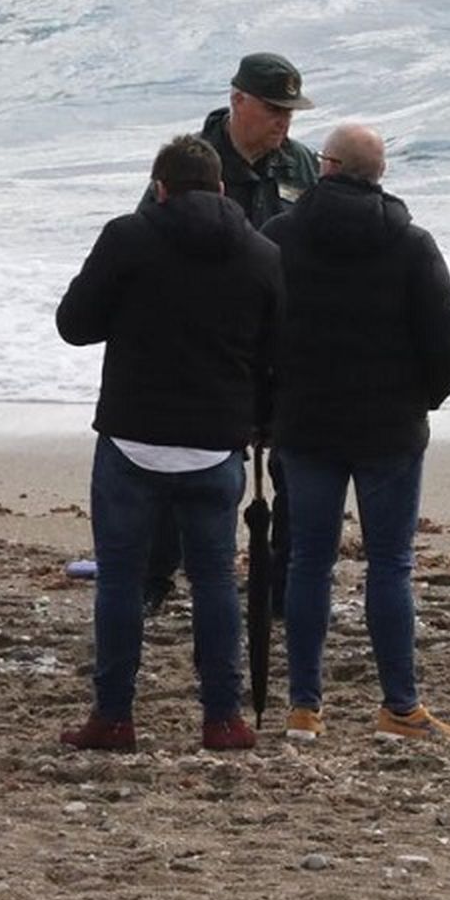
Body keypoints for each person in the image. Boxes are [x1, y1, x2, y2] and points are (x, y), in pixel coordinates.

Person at [56, 135, 281, 750]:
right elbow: (275, 352)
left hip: (133, 437)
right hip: (215, 443)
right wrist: (261, 421)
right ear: (222, 189)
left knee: (122, 582)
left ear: (160, 188)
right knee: (214, 581)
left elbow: (74, 325)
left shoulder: (127, 238)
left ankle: (114, 716)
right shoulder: (261, 254)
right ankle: (222, 718)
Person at [261, 123, 450, 743]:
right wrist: (421, 398)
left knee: (308, 563)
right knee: (390, 566)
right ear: (378, 175)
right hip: (389, 428)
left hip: (306, 423)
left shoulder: (280, 237)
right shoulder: (409, 242)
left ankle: (305, 707)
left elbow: (256, 327)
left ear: (325, 167)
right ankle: (399, 706)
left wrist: (270, 401)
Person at [142, 52, 318, 618]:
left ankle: (282, 588)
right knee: (189, 468)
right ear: (238, 101)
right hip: (210, 348)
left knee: (294, 468)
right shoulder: (190, 163)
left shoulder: (301, 165)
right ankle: (157, 577)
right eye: (274, 110)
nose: (284, 123)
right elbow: (152, 244)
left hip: (283, 342)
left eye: (291, 111)